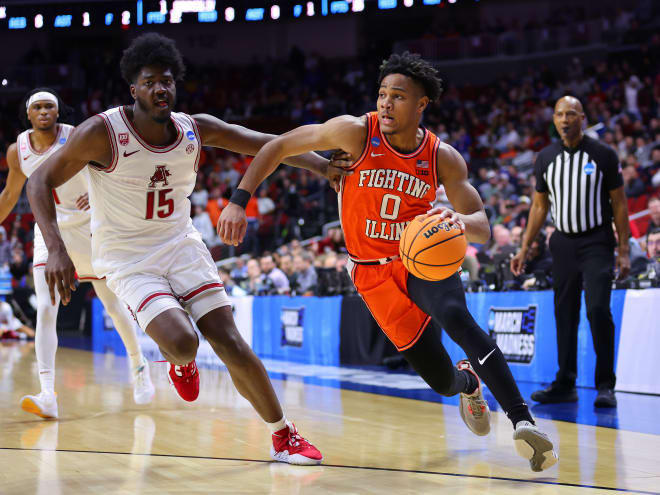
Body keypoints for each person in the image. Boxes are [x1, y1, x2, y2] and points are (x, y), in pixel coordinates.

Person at [218, 51, 558, 472]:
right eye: (382, 94)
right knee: (439, 378)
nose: (385, 103)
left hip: (420, 258)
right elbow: (280, 145)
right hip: (370, 272)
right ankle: (468, 382)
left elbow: (483, 227)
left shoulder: (442, 157)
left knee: (456, 315)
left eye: (398, 96)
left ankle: (523, 421)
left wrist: (458, 219)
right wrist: (239, 200)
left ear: (422, 104)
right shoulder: (355, 132)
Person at [28, 33, 348, 465]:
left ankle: (283, 435)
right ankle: (180, 362)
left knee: (230, 341)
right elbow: (38, 182)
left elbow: (266, 144)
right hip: (128, 259)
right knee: (182, 342)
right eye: (150, 81)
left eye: (167, 81)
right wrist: (57, 249)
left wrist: (324, 165)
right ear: (133, 88)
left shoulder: (193, 129)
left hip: (181, 246)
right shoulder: (101, 133)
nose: (161, 89)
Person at [0, 88, 155, 419]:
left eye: (49, 106)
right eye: (37, 107)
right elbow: (11, 194)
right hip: (50, 232)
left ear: (58, 112)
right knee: (45, 306)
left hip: (91, 227)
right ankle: (47, 393)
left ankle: (138, 364)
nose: (43, 111)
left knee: (112, 304)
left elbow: (116, 170)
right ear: (28, 114)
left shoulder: (78, 137)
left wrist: (99, 195)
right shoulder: (18, 151)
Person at [511, 95, 630, 409]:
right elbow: (539, 206)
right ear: (554, 119)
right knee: (564, 313)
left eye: (572, 114)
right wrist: (524, 248)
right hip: (562, 243)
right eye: (560, 114)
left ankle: (606, 384)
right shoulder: (545, 157)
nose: (565, 120)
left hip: (597, 241)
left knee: (597, 310)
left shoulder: (603, 154)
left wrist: (623, 251)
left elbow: (619, 203)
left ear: (583, 118)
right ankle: (565, 382)